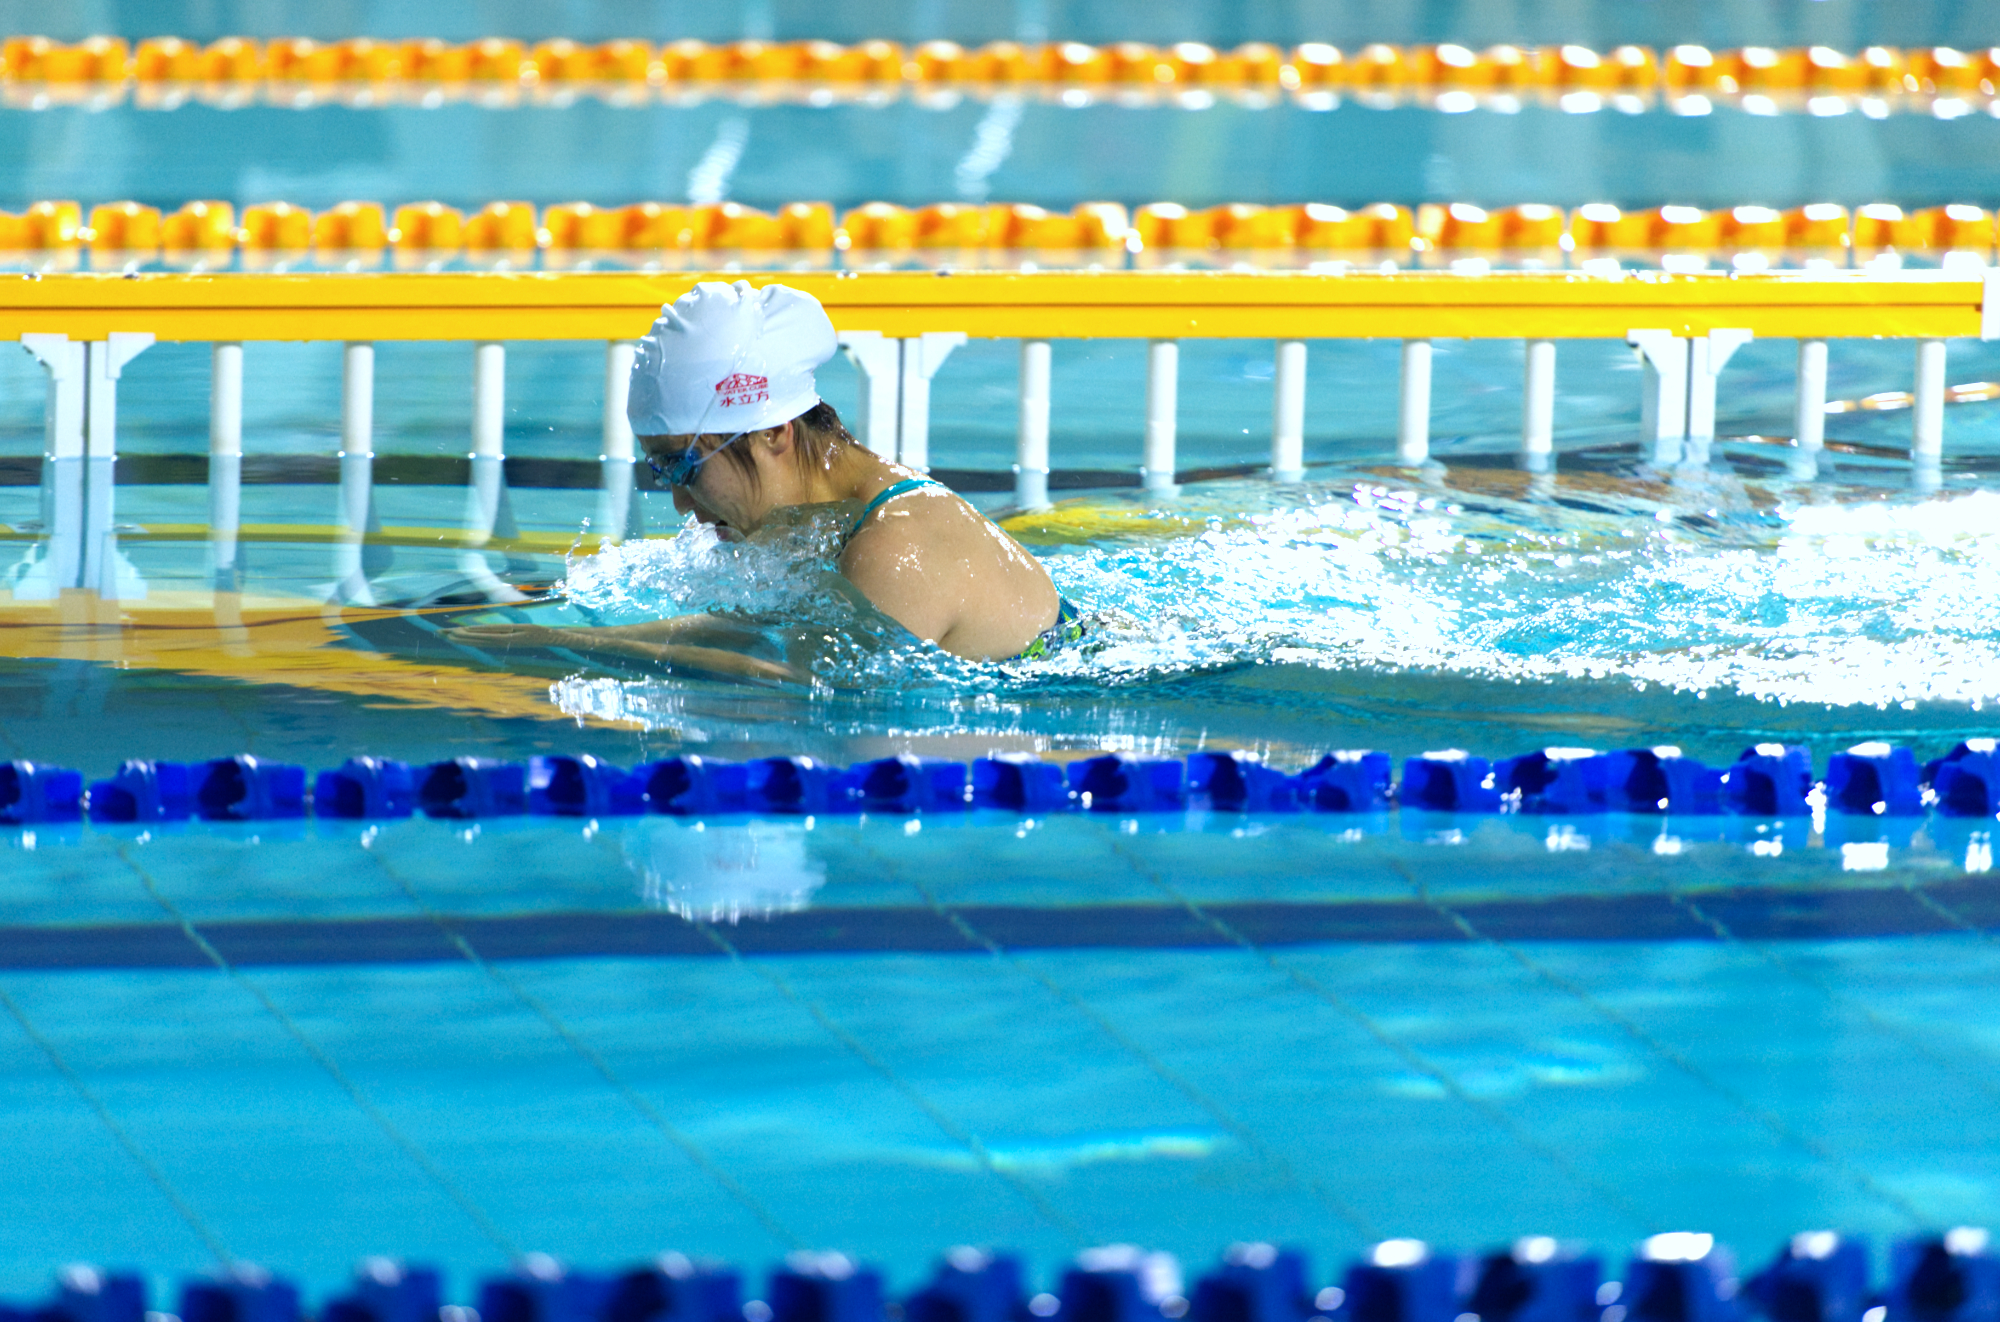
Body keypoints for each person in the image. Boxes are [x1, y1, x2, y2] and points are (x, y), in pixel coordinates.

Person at [447, 280, 1085, 681]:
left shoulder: (894, 549)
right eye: (659, 468)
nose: (676, 500)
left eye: (684, 466)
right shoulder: (831, 518)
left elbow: (793, 683)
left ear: (773, 433)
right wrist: (551, 630)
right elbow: (757, 628)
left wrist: (553, 647)